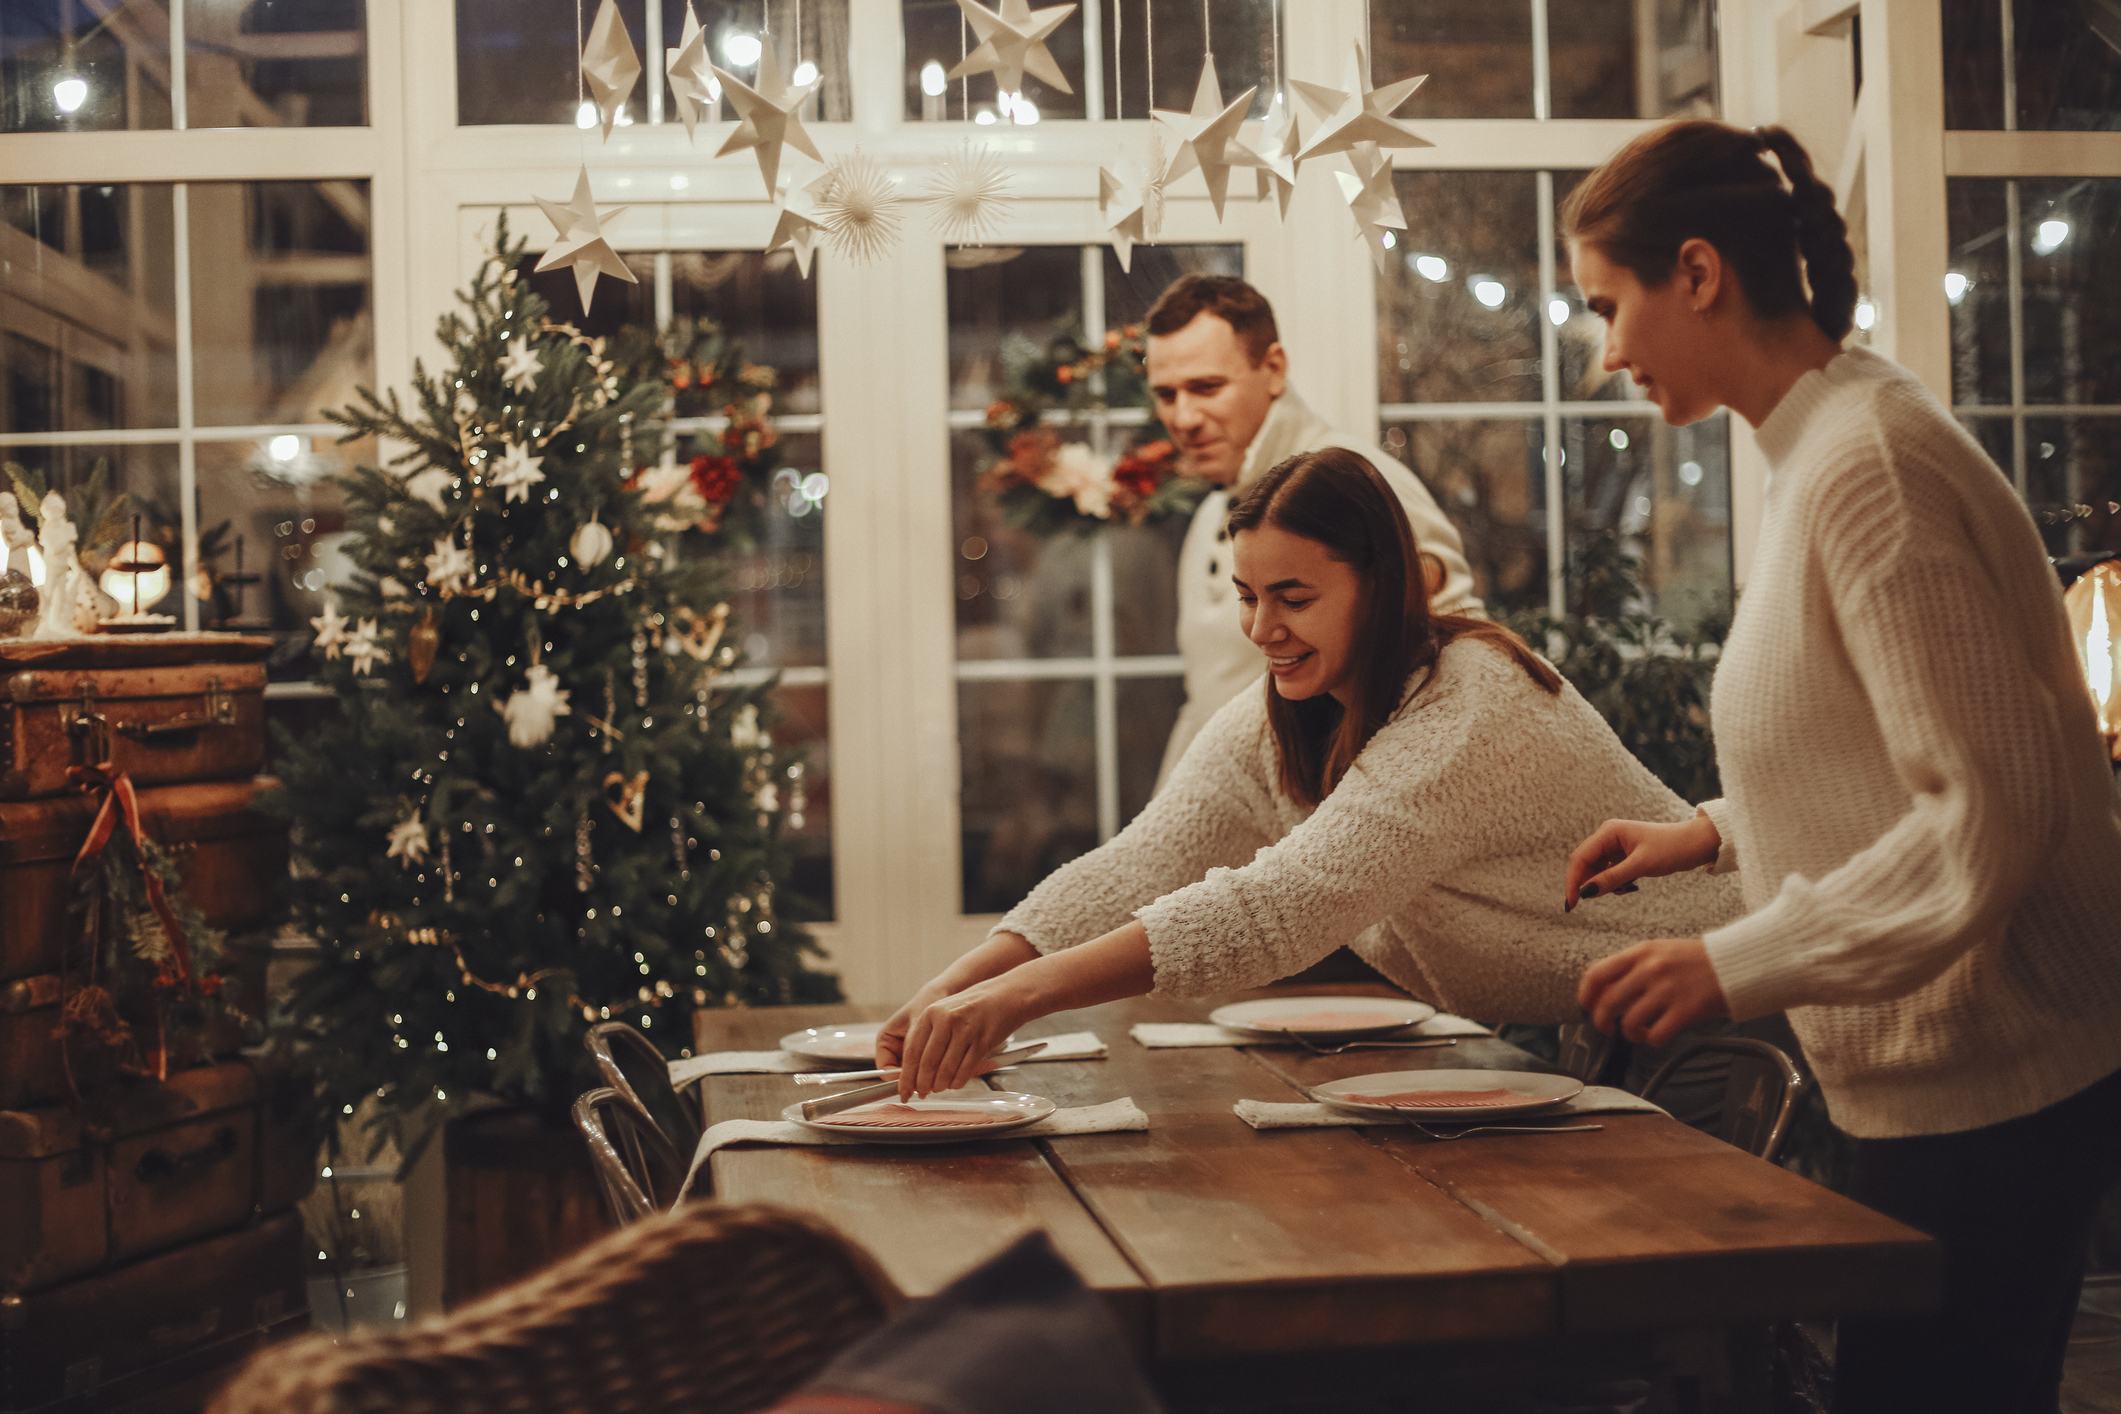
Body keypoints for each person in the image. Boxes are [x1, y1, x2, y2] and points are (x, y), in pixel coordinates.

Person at [1557, 119, 2121, 1412]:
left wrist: (1729, 961)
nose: (1606, 353)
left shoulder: (1867, 466)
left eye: (1609, 304)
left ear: (1696, 271)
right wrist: (1709, 831)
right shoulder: (1824, 443)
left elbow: (1990, 813)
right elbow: (1876, 737)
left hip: (2001, 1081)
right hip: (1955, 1084)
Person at [879, 446, 1742, 1105]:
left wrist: (1019, 998)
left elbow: (1277, 909)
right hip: (1587, 1022)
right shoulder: (1287, 707)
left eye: (1292, 598)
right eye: (1248, 596)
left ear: (1382, 584)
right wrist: (958, 983)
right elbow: (1140, 863)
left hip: (1714, 1012)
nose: (1261, 628)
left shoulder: (1468, 701)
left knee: (1672, 1321)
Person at [1145, 275, 1480, 786]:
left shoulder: (1357, 479)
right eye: (1166, 395)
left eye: (1206, 387)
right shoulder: (1209, 519)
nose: (1183, 416)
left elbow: (1455, 661)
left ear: (1273, 369)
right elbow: (1205, 705)